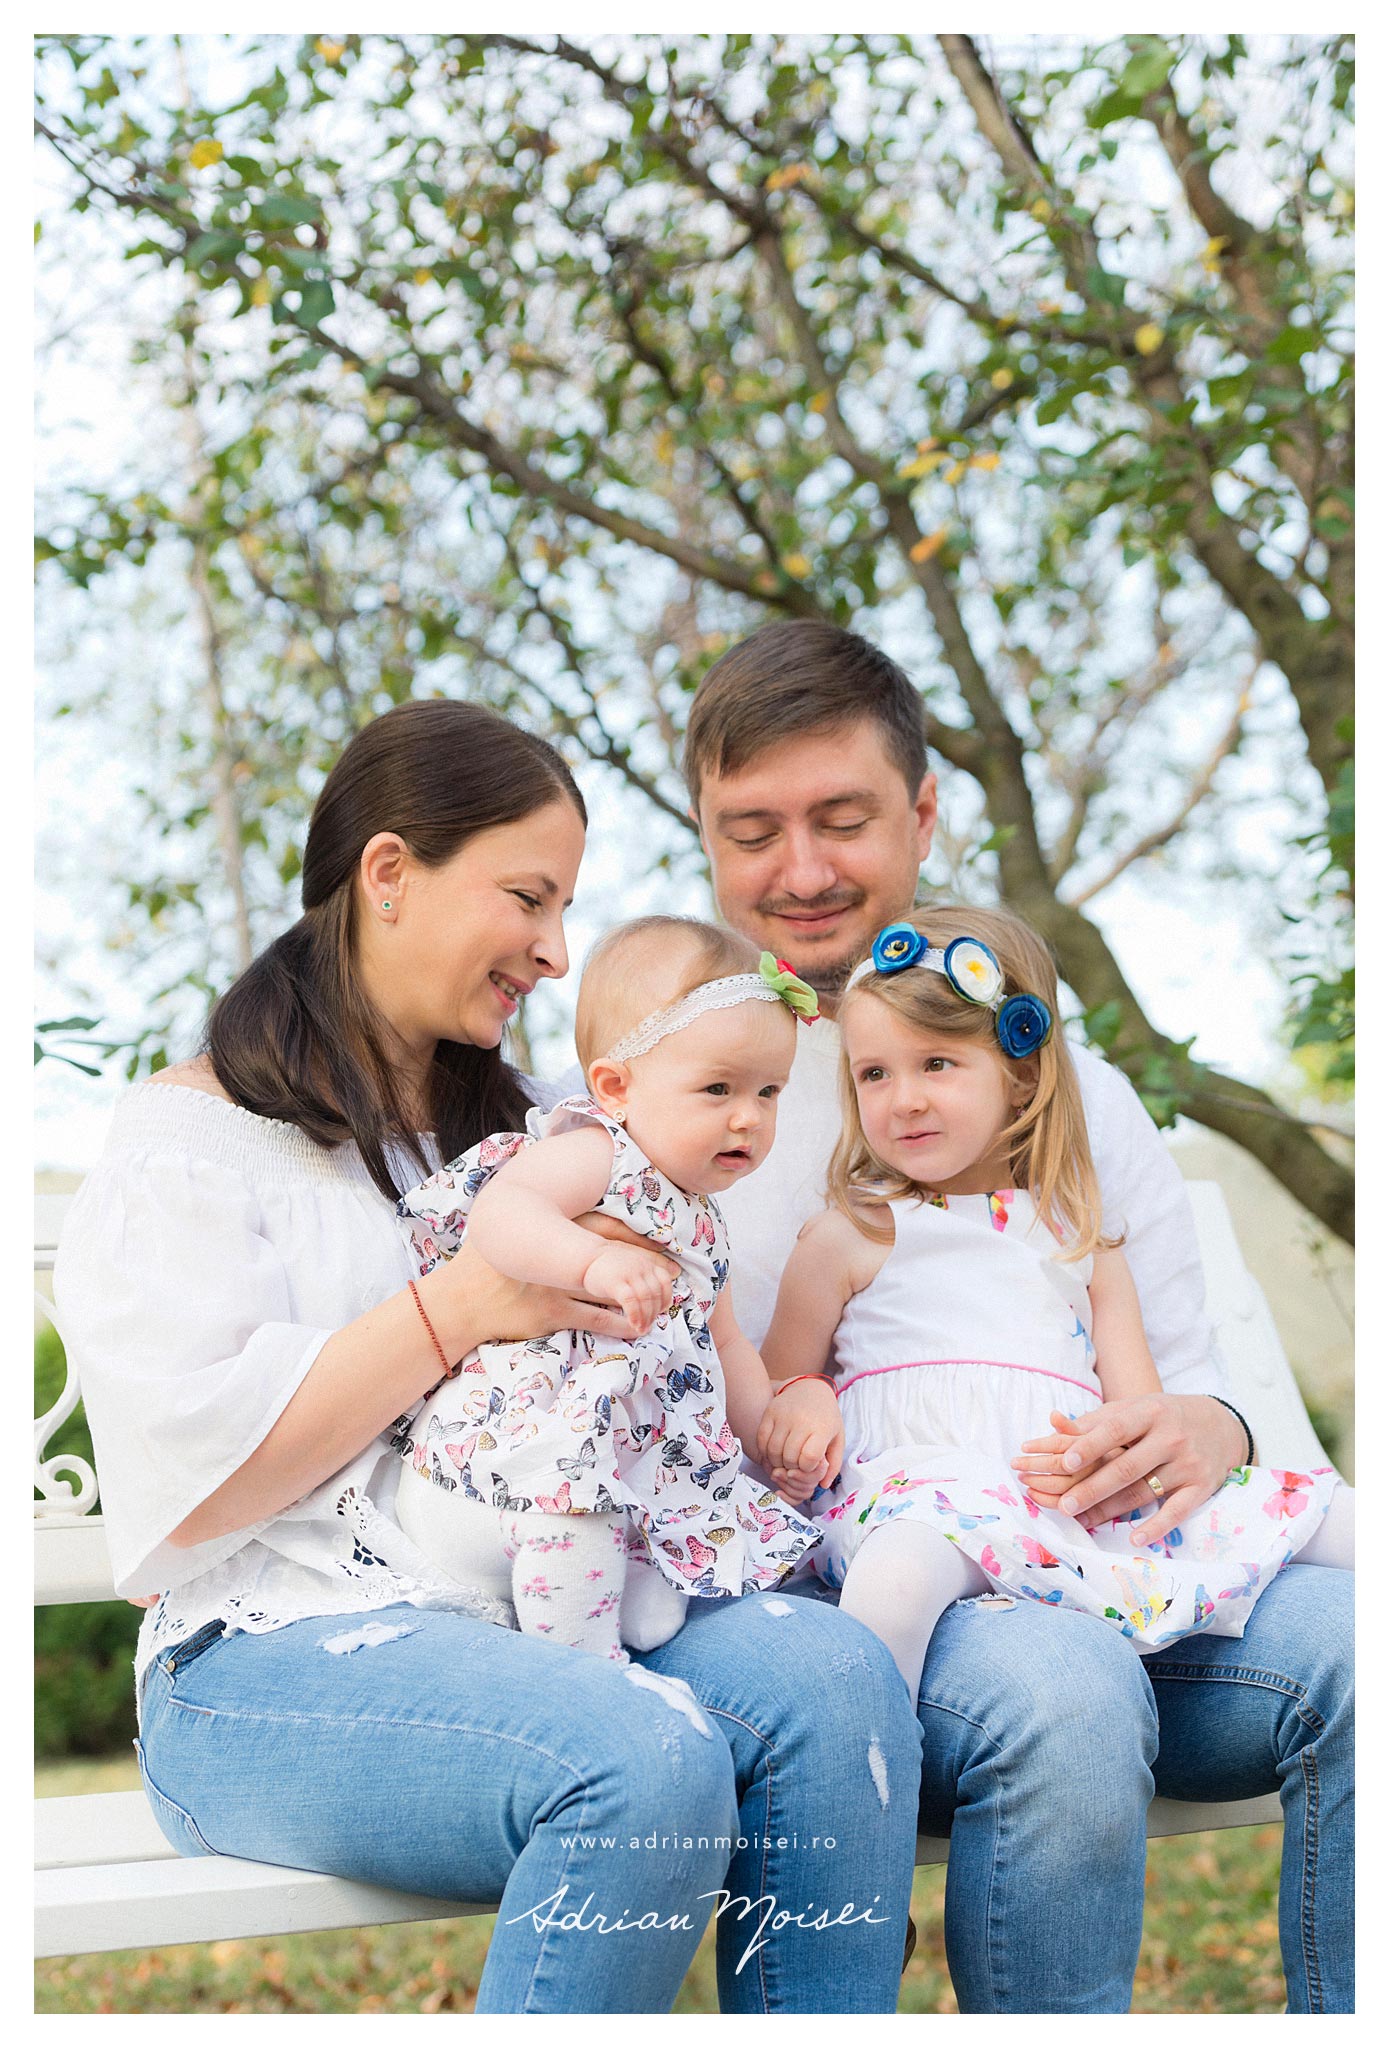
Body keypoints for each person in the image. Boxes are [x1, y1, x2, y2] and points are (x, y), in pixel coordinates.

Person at [55, 698, 923, 2016]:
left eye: (567, 906)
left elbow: (699, 1258)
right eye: (527, 898)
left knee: (834, 1676)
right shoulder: (193, 1144)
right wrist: (458, 1308)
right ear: (390, 874)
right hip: (260, 1667)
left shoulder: (531, 1128)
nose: (555, 950)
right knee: (640, 1764)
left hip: (548, 1602)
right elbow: (191, 1496)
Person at [687, 619, 1354, 2014]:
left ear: (922, 814)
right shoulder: (682, 1077)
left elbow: (1193, 1373)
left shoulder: (1064, 1085)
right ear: (703, 830)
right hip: (874, 1582)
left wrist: (1187, 1426)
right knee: (1064, 1690)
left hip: (1099, 1544)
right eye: (753, 831)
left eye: (842, 819)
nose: (800, 870)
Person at [757, 903, 1351, 1704]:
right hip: (926, 1501)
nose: (903, 1099)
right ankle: (875, 1762)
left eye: (936, 1064)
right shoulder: (849, 1235)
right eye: (875, 1073)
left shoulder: (1082, 1242)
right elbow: (777, 1393)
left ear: (1022, 1073)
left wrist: (1118, 1457)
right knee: (893, 1583)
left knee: (1341, 1521)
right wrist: (806, 1404)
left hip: (1069, 1510)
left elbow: (1139, 1410)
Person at [391, 916, 831, 1663]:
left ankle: (626, 1596)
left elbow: (723, 1344)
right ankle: (585, 1665)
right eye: (717, 1087)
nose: (748, 1117)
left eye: (768, 1091)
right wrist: (589, 1262)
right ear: (616, 1086)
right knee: (578, 1513)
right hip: (525, 1445)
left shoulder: (706, 1223)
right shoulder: (597, 1152)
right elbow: (503, 1214)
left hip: (614, 1454)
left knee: (661, 1518)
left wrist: (764, 1428)